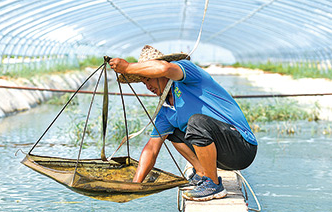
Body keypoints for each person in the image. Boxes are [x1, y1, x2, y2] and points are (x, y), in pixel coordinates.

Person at [109, 45, 257, 201]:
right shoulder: (165, 110)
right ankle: (202, 174)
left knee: (196, 122)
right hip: (223, 158)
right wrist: (135, 185)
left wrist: (128, 67)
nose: (148, 87)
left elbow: (164, 68)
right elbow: (152, 148)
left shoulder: (187, 74)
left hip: (242, 148)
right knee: (173, 133)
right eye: (143, 82)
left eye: (148, 78)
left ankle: (213, 185)